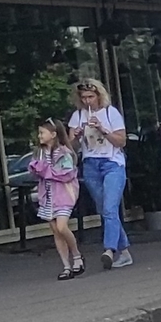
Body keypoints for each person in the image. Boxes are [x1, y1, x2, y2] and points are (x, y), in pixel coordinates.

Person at [70, 78, 131, 268]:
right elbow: (71, 147)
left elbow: (121, 142)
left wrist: (103, 130)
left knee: (110, 208)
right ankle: (125, 252)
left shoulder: (110, 113)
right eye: (84, 97)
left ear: (99, 96)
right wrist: (77, 136)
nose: (88, 101)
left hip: (112, 163)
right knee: (104, 209)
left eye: (91, 96)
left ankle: (109, 249)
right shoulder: (78, 116)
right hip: (91, 164)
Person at [29, 118, 84, 279]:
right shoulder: (38, 153)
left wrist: (44, 170)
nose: (39, 136)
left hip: (63, 195)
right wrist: (37, 170)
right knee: (56, 231)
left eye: (42, 133)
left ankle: (77, 256)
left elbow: (66, 174)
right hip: (47, 197)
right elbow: (35, 171)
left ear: (53, 134)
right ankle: (66, 266)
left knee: (61, 227)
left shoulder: (64, 153)